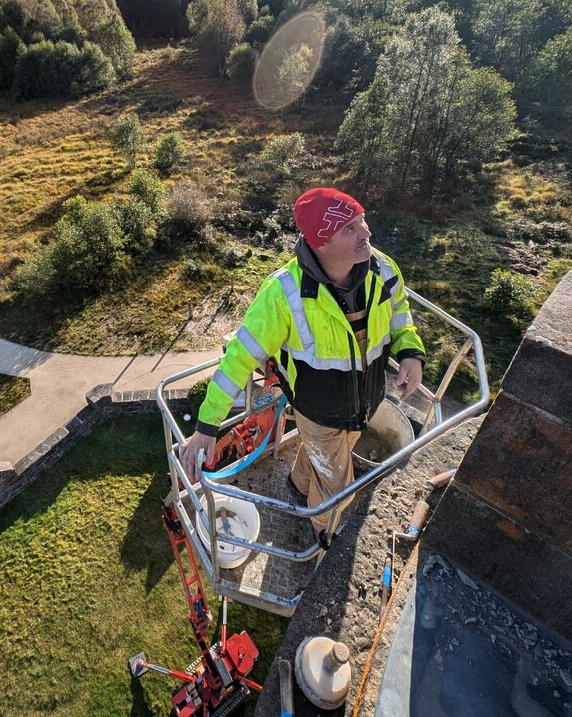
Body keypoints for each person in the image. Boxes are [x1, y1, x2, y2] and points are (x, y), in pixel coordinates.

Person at [180, 187, 425, 546]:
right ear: (321, 243)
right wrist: (206, 425)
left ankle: (298, 485)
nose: (367, 233)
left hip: (364, 403)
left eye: (362, 221)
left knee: (325, 463)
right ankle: (322, 534)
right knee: (339, 490)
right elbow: (239, 357)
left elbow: (400, 317)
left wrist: (410, 353)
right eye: (350, 229)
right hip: (318, 411)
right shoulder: (284, 293)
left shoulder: (383, 269)